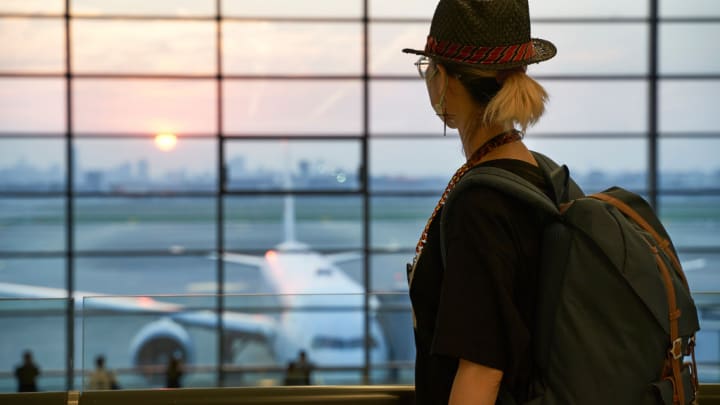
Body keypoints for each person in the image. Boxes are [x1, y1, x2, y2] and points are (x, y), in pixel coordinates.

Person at [401, 0, 557, 404]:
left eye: (427, 69)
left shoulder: (482, 204)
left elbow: (482, 370)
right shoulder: (539, 176)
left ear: (446, 79)